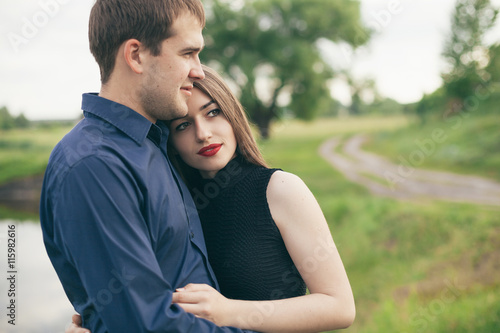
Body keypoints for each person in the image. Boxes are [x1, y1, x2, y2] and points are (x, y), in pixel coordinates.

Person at [68, 65, 355, 333]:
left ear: (232, 114)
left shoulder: (280, 189)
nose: (203, 134)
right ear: (169, 142)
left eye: (213, 112)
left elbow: (339, 306)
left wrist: (228, 311)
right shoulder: (172, 205)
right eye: (183, 126)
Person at [40, 1, 254, 332]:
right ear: (136, 56)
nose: (198, 70)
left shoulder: (154, 143)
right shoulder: (95, 166)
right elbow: (146, 326)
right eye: (187, 53)